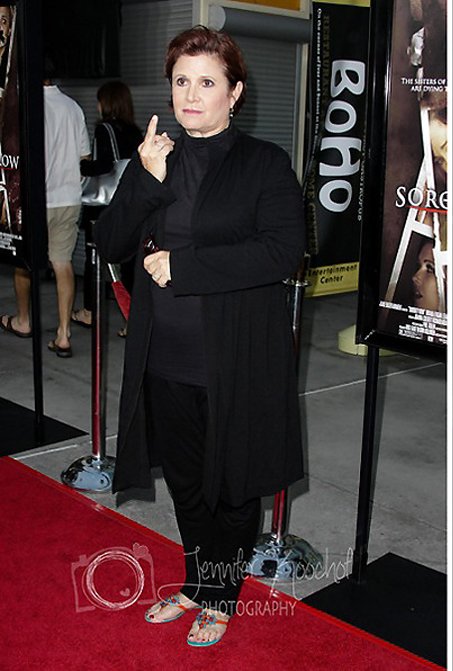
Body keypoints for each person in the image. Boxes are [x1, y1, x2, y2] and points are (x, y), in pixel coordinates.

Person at [94, 26, 305, 647]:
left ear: (234, 93)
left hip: (235, 357)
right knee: (186, 483)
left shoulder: (264, 163)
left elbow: (281, 251)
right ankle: (196, 582)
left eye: (207, 82)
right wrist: (144, 178)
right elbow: (109, 242)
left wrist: (185, 267)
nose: (191, 94)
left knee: (232, 486)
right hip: (163, 356)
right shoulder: (156, 157)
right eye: (181, 81)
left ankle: (220, 594)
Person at [1, 66, 90, 356]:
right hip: (69, 198)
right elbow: (85, 157)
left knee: (24, 264)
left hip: (34, 201)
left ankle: (23, 320)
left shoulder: (23, 109)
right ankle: (63, 334)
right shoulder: (73, 108)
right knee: (63, 263)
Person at [72, 81, 142, 329]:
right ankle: (134, 318)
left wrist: (81, 165)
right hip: (129, 204)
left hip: (103, 206)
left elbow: (103, 166)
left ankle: (89, 311)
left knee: (94, 260)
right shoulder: (135, 131)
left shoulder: (104, 129)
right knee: (130, 262)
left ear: (107, 103)